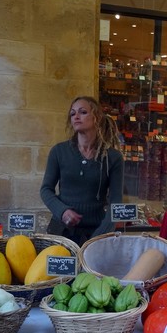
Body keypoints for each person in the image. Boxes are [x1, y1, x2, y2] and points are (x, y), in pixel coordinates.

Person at [40, 96, 124, 244]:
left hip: (97, 232)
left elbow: (116, 202)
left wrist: (100, 235)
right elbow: (46, 190)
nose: (76, 117)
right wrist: (62, 211)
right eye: (73, 114)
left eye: (83, 112)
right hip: (62, 230)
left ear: (96, 117)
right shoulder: (59, 152)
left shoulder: (113, 157)